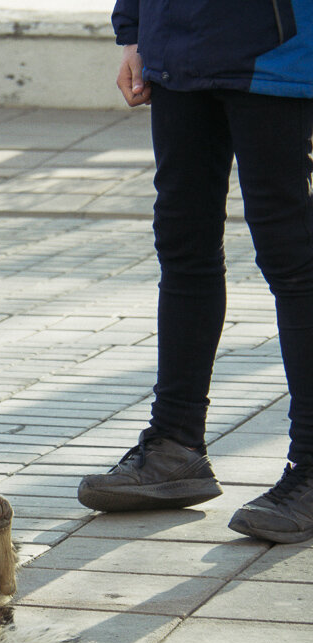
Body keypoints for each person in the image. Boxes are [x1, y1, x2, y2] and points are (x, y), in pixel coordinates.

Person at [78, 1, 313, 544]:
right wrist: (134, 34)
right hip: (177, 50)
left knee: (291, 255)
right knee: (184, 246)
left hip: (277, 50)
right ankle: (174, 448)